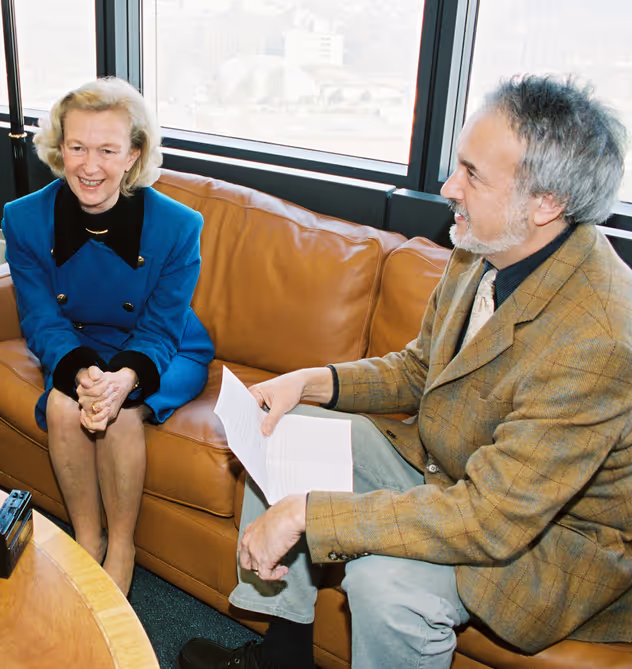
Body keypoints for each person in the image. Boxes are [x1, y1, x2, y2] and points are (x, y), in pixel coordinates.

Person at [178, 74, 632, 669]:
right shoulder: (484, 247)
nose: (449, 187)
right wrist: (306, 382)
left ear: (546, 203)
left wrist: (310, 511)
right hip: (448, 470)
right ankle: (284, 658)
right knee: (283, 429)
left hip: (540, 541)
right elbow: (420, 369)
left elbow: (492, 517)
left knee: (384, 585)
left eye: (473, 174)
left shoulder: (598, 337)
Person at [2, 77, 214, 596]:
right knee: (60, 406)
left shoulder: (178, 226)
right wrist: (80, 370)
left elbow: (163, 324)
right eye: (76, 147)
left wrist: (123, 378)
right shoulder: (24, 219)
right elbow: (38, 319)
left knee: (118, 416)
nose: (89, 165)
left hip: (162, 346)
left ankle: (122, 546)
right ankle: (87, 538)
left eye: (107, 150)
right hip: (77, 340)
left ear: (133, 155)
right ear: (59, 148)